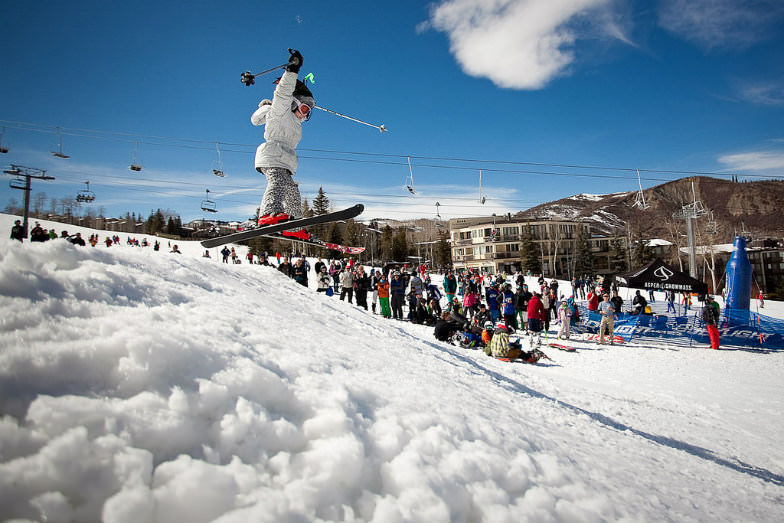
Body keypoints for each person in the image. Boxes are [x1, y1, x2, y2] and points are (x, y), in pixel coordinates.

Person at [251, 49, 314, 241]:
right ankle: (268, 214)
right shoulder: (281, 112)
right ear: (294, 103)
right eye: (304, 108)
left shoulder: (296, 124)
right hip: (272, 155)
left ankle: (294, 225)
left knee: (292, 190)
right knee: (277, 183)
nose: (305, 114)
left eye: (309, 112)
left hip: (284, 161)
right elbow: (283, 93)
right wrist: (292, 71)